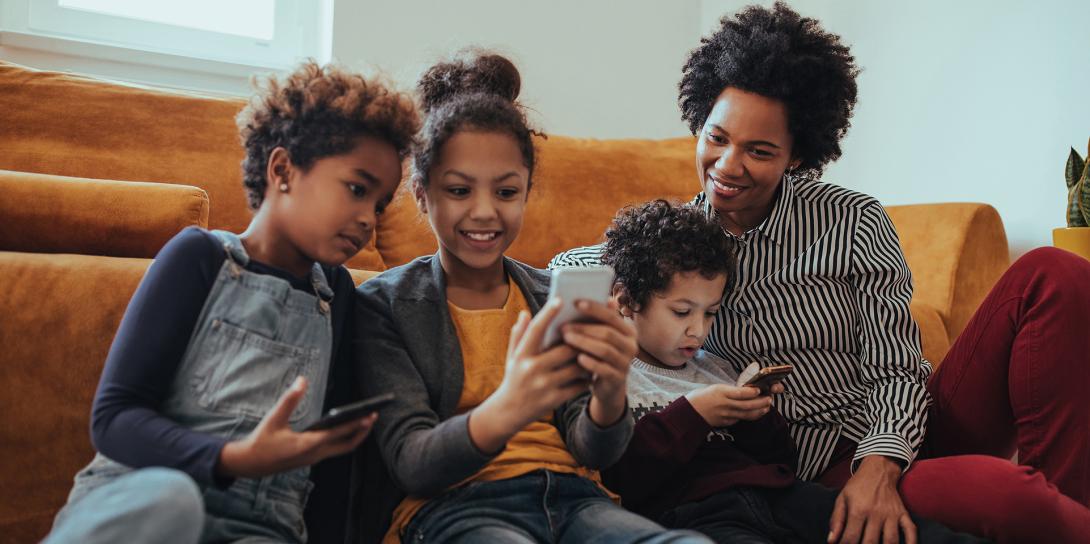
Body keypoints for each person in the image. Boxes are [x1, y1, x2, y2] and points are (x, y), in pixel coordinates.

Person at [551, 3, 1090, 542]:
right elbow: (571, 266)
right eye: (716, 138)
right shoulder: (679, 247)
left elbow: (897, 367)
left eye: (759, 151)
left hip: (894, 435)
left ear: (797, 154)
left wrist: (879, 465)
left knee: (1052, 271)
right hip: (810, 474)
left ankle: (1070, 508)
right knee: (1009, 497)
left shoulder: (853, 220)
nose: (727, 165)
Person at [44, 61, 420, 544]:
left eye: (380, 203)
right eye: (356, 189)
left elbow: (330, 469)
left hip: (258, 527)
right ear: (282, 170)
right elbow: (114, 419)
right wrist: (233, 460)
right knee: (171, 501)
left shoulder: (340, 295)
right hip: (147, 501)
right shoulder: (199, 257)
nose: (368, 218)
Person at [354, 51, 707, 544]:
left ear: (526, 191)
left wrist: (609, 392)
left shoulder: (546, 294)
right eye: (458, 190)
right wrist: (514, 403)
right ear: (421, 193)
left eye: (505, 192)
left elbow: (595, 451)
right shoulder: (382, 305)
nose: (484, 212)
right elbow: (413, 463)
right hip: (456, 509)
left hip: (576, 500)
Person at [600, 199, 986, 543]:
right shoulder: (612, 375)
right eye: (682, 312)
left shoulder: (713, 367)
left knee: (911, 532)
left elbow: (779, 461)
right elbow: (624, 475)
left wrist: (757, 415)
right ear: (626, 301)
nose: (698, 330)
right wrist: (695, 414)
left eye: (711, 313)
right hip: (696, 516)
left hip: (783, 497)